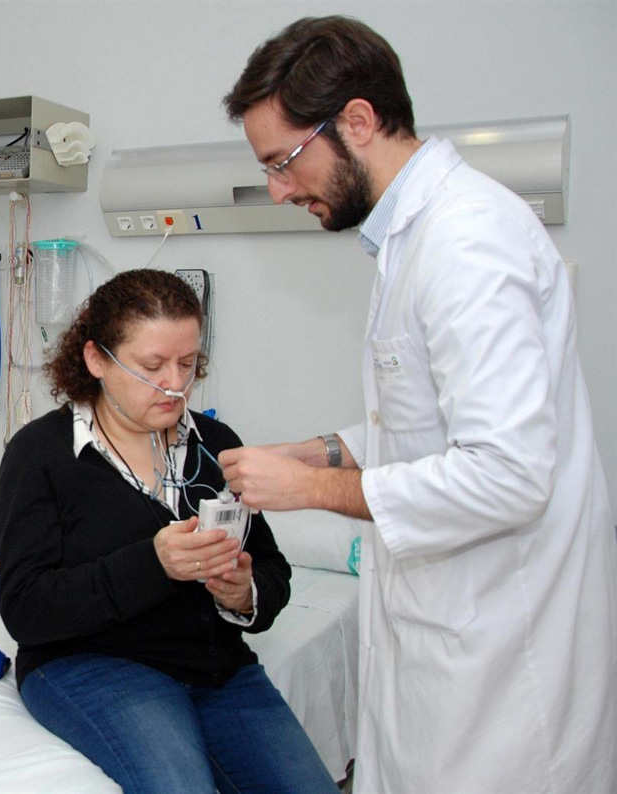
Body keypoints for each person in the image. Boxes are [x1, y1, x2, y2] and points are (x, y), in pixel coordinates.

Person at [220, 15, 617, 794]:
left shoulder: (466, 242)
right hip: (448, 642)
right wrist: (320, 451)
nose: (277, 189)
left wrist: (310, 491)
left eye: (284, 161)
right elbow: (421, 423)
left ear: (358, 121)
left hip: (503, 665)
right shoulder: (411, 240)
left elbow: (507, 473)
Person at [0, 269, 338, 794]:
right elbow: (26, 608)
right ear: (96, 360)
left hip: (217, 667)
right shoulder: (41, 455)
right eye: (152, 365)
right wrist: (154, 564)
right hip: (93, 664)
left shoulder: (214, 445)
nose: (175, 384)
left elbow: (271, 568)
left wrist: (244, 594)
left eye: (188, 364)